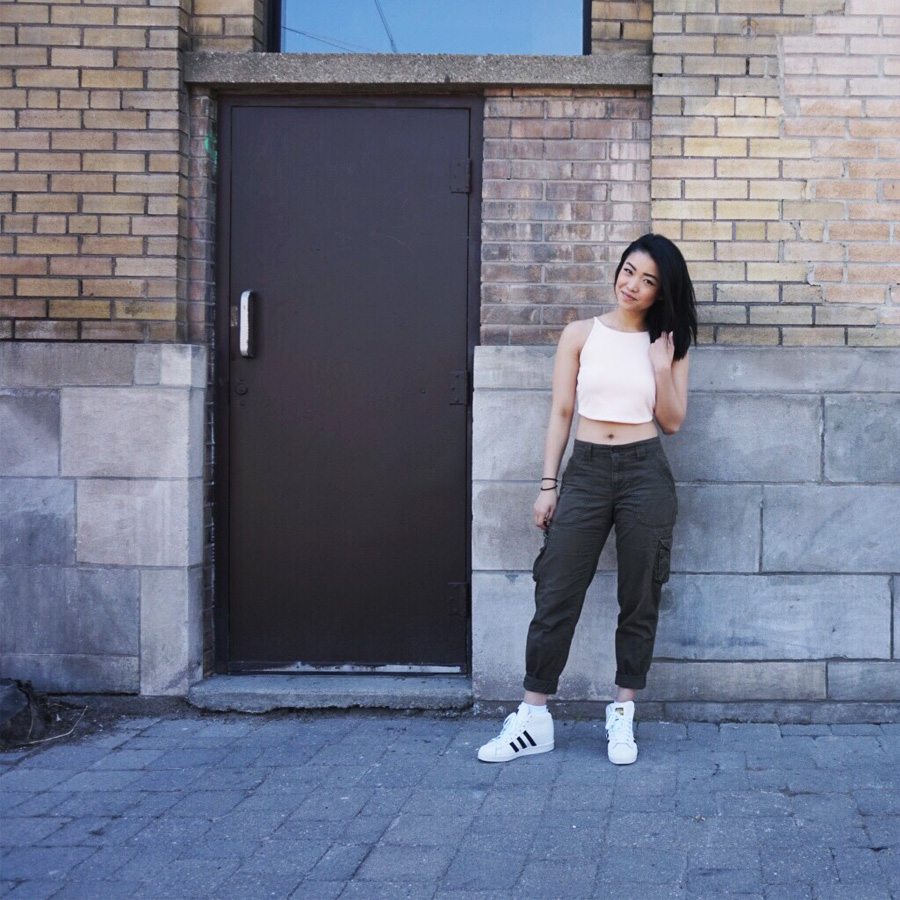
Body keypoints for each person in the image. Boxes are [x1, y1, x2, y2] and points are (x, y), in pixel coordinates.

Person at [477, 233, 697, 766]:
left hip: (646, 471)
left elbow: (671, 422)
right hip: (588, 471)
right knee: (556, 589)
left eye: (648, 281)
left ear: (660, 291)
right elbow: (560, 413)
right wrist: (548, 484)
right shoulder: (580, 333)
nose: (633, 285)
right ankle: (534, 717)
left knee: (639, 594)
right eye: (629, 271)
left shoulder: (669, 342)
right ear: (617, 269)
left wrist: (663, 368)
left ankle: (623, 715)